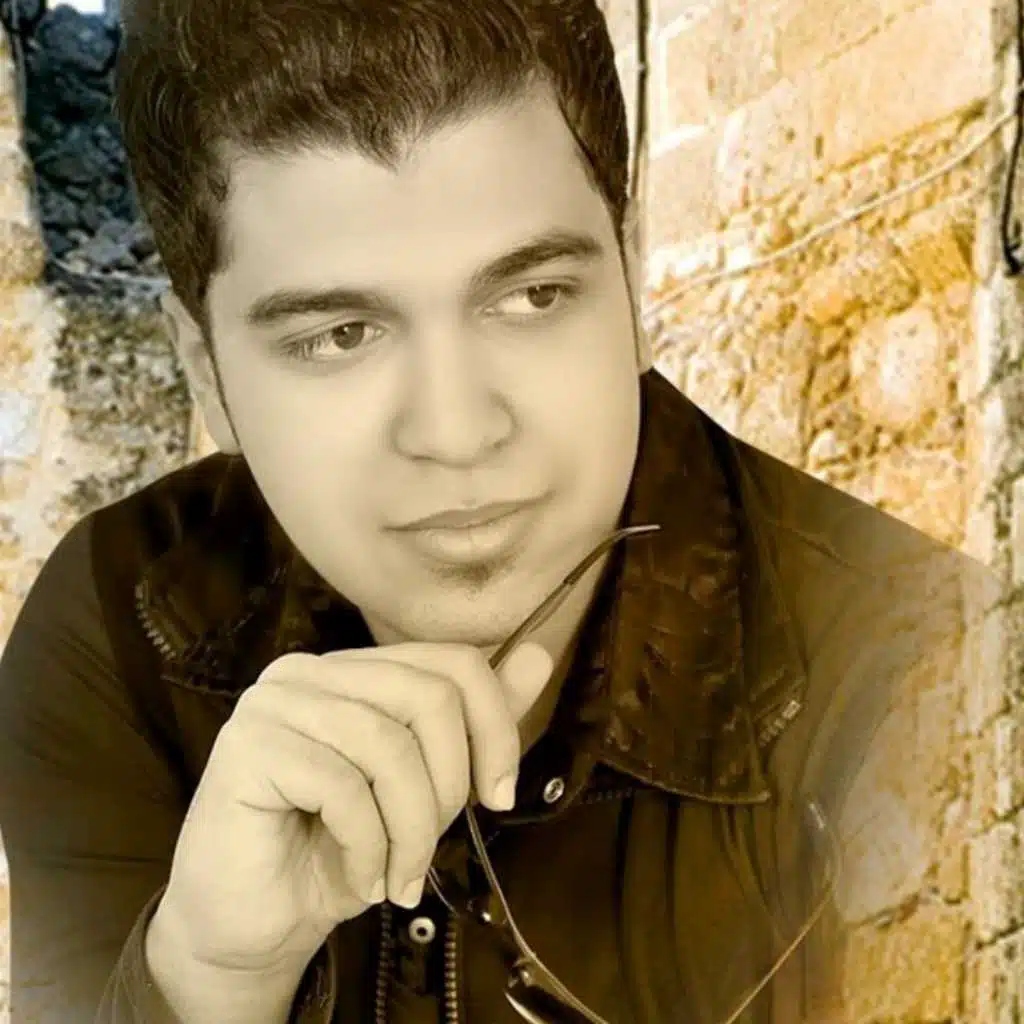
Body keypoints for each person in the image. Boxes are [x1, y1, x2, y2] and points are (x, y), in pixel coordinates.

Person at [0, 1, 996, 1021]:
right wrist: (209, 978)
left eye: (532, 297)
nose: (457, 431)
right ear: (205, 371)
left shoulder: (939, 691)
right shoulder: (121, 623)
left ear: (632, 271)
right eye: (341, 335)